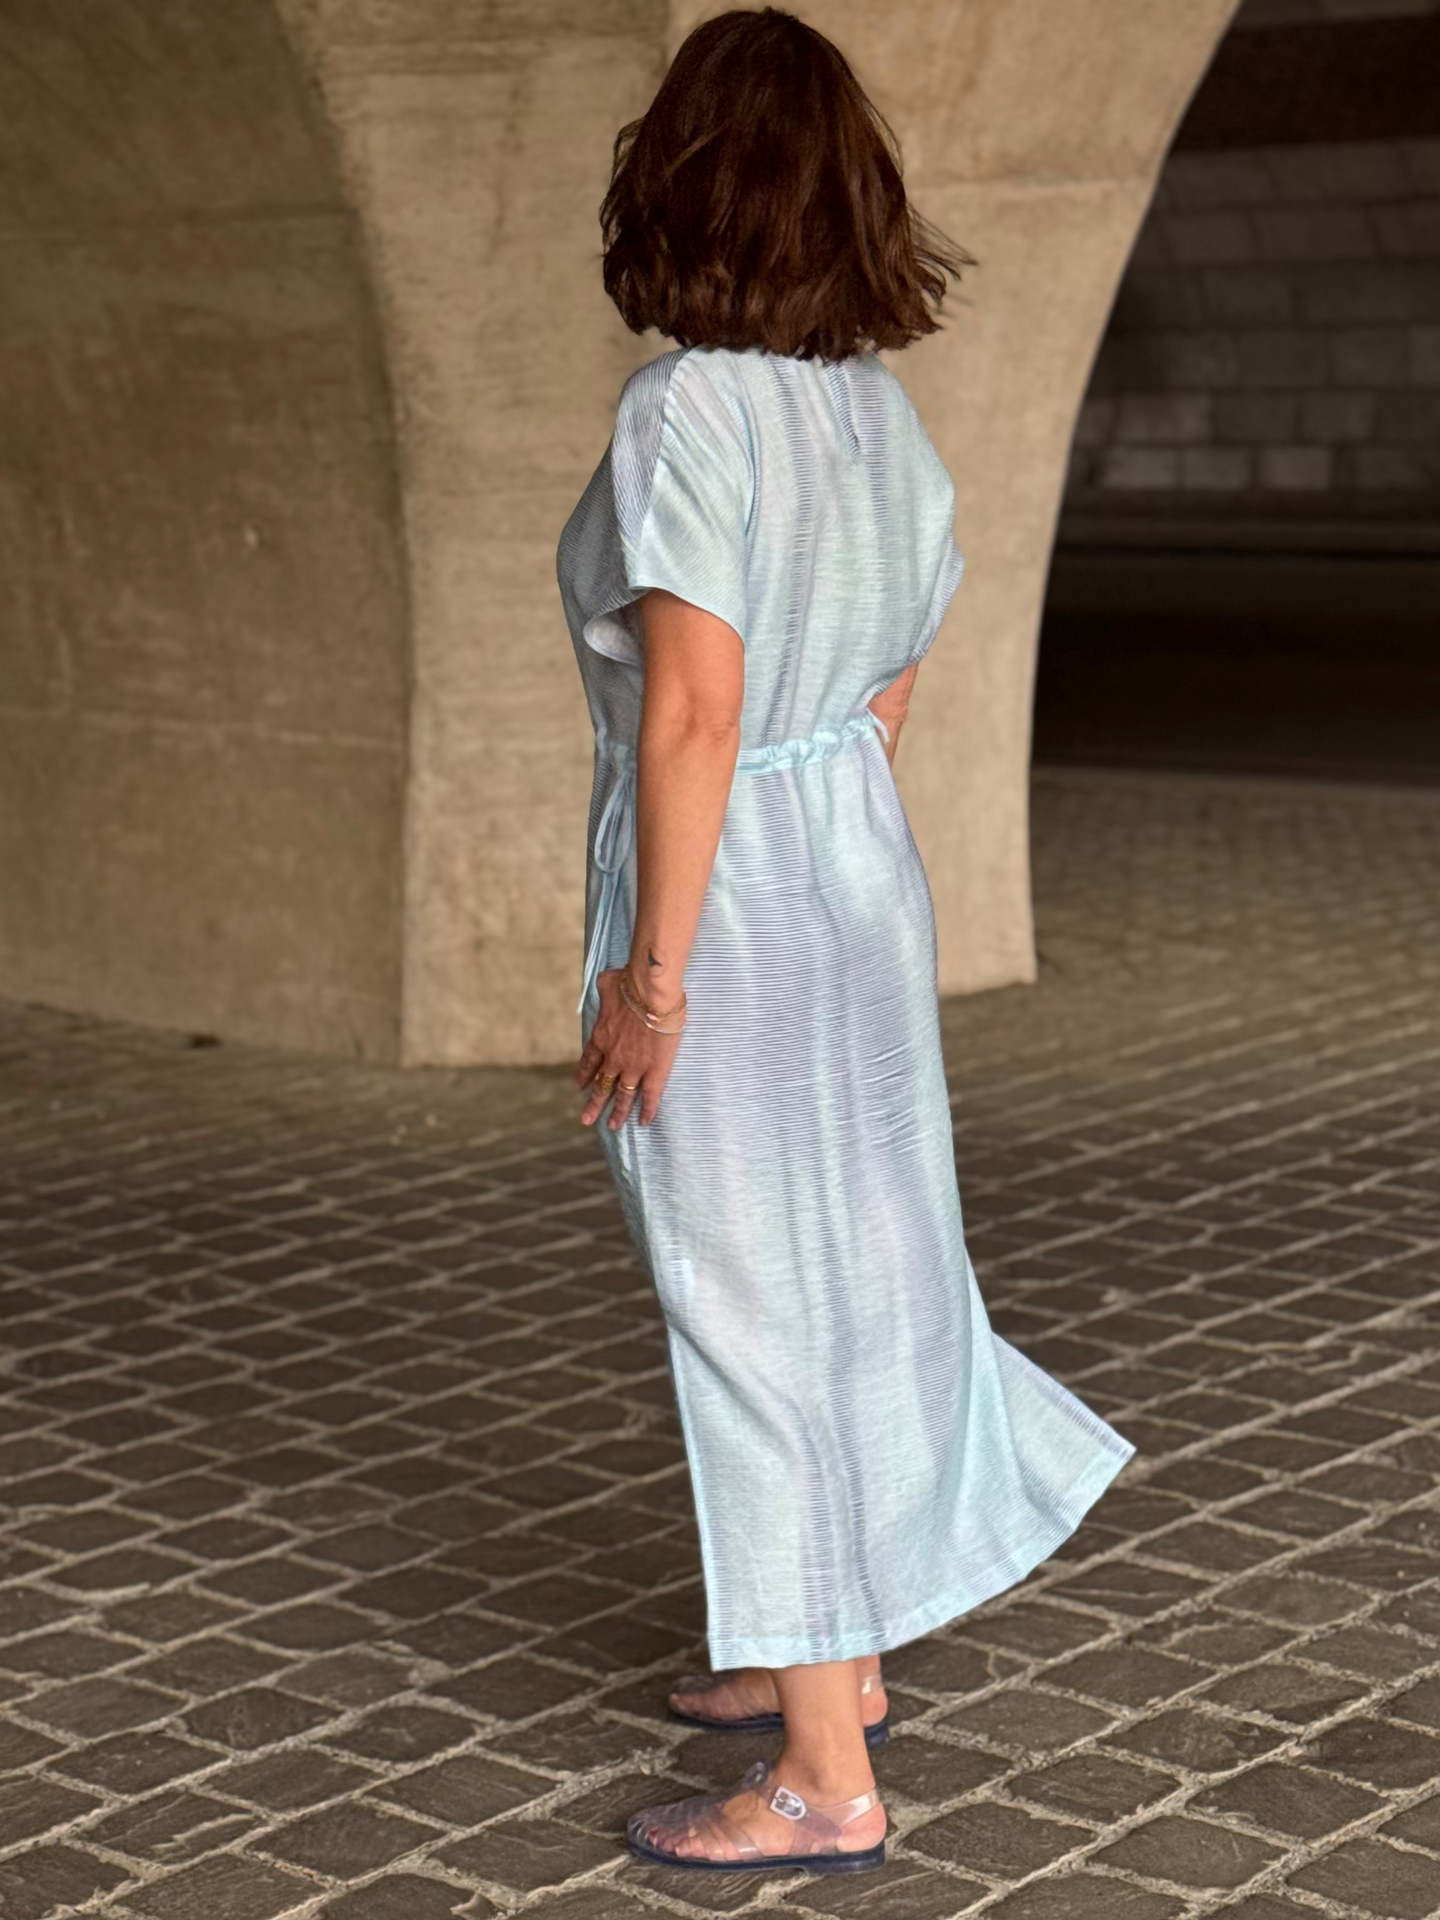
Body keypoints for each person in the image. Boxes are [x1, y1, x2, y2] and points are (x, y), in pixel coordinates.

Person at [555, 6, 1137, 1877]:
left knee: (749, 1301)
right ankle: (832, 1654)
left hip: (729, 890)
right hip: (857, 875)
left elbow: (693, 715)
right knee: (862, 1266)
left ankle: (821, 1779)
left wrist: (652, 978)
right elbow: (887, 686)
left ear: (680, 184)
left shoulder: (687, 412)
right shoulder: (879, 417)